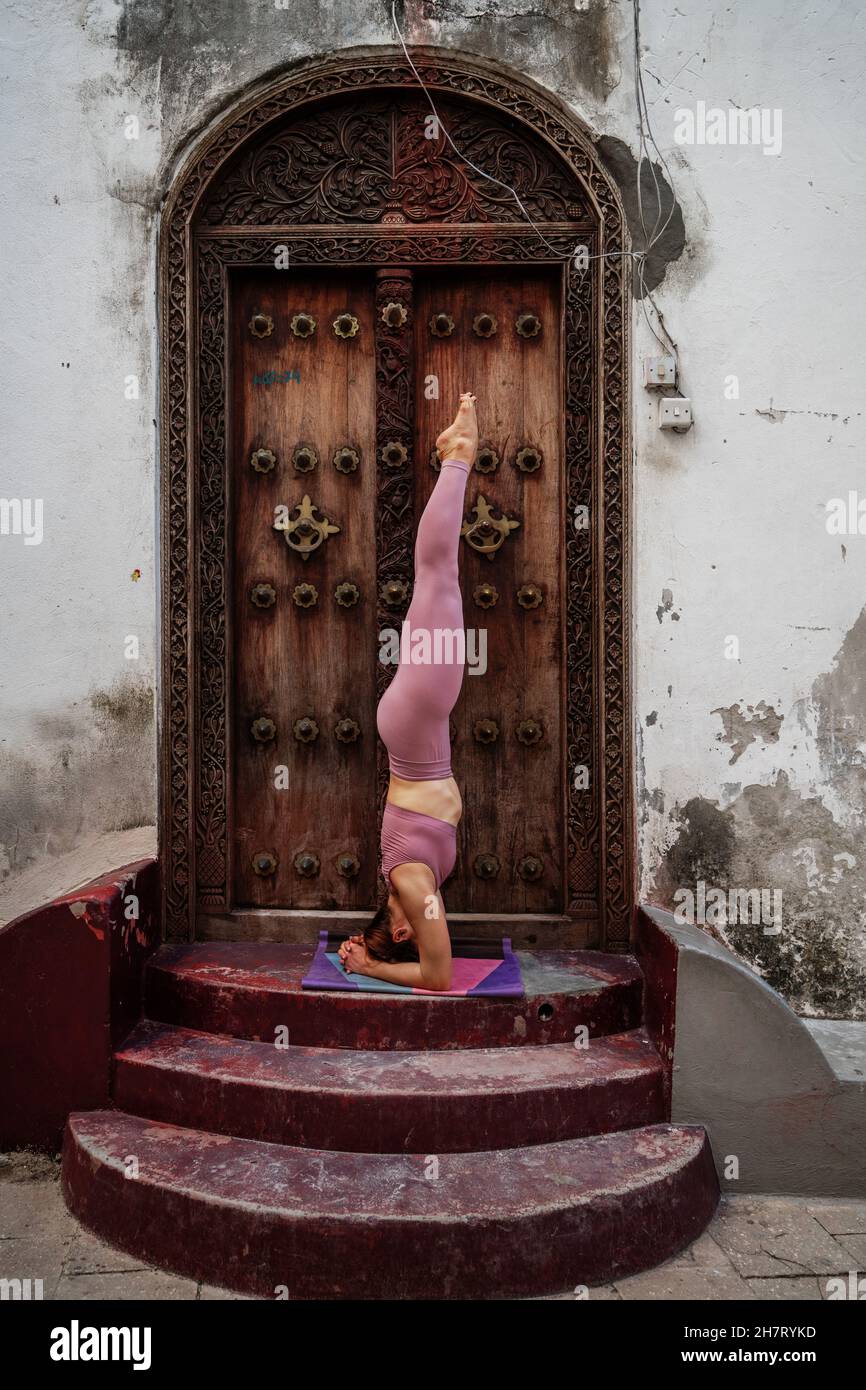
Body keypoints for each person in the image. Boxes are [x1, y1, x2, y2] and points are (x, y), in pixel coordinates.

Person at [338, 393, 479, 991]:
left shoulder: (410, 885)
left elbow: (439, 977)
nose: (425, 926)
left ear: (399, 932)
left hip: (418, 726)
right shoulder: (415, 885)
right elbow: (433, 967)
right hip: (420, 727)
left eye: (411, 932)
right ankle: (455, 459)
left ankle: (458, 458)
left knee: (438, 575)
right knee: (436, 581)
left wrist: (371, 968)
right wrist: (372, 958)